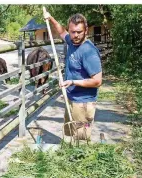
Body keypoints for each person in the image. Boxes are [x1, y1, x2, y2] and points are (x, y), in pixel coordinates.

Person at [44, 12, 102, 140]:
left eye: (79, 32)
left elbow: (97, 81)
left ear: (86, 31)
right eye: (73, 32)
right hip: (71, 98)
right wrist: (51, 18)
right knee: (70, 134)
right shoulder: (71, 41)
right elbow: (61, 32)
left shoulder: (88, 52)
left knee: (81, 139)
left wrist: (73, 82)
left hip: (83, 103)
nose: (75, 35)